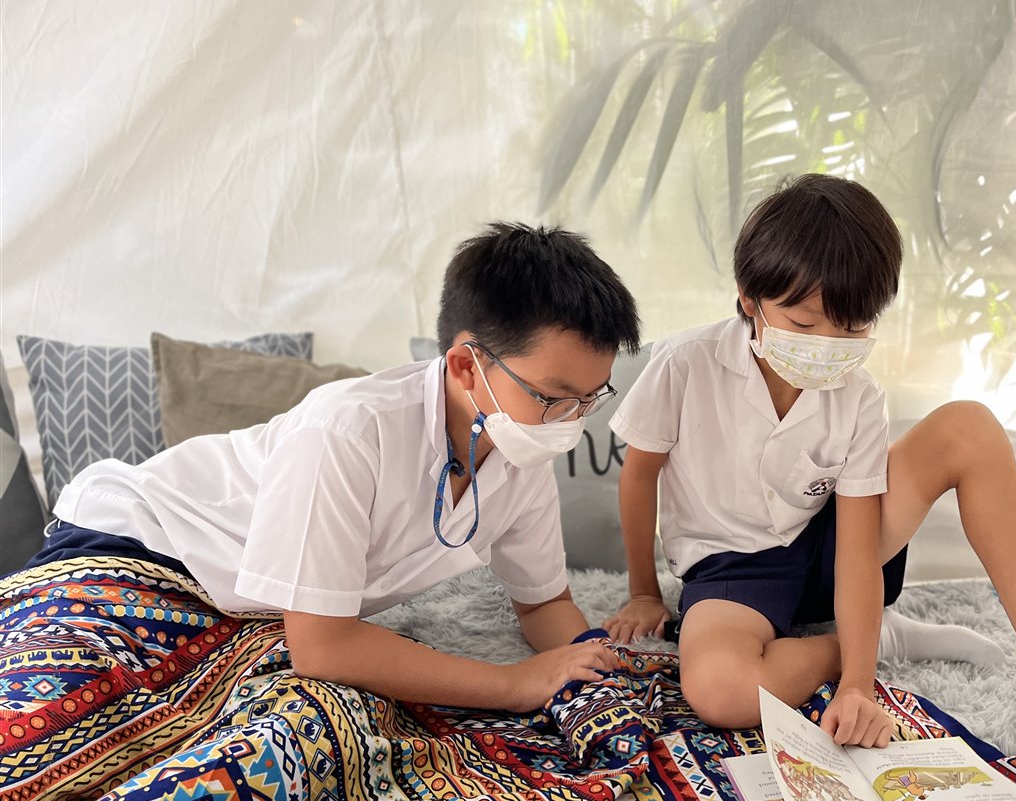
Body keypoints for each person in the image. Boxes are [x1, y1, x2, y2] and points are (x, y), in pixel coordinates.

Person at [603, 175, 1016, 769]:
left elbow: (859, 546)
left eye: (852, 328)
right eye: (804, 325)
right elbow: (639, 476)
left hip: (834, 549)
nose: (828, 345)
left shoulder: (859, 396)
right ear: (749, 299)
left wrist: (859, 687)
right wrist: (644, 592)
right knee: (721, 690)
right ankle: (864, 638)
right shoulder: (684, 363)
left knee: (969, 427)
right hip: (732, 568)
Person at [27, 221, 642, 711]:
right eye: (553, 397)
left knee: (324, 727)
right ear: (464, 367)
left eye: (591, 399)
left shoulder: (521, 450)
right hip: (140, 549)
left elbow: (542, 605)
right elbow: (323, 648)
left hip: (266, 616)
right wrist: (515, 684)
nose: (572, 422)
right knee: (63, 709)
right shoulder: (348, 429)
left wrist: (594, 667)